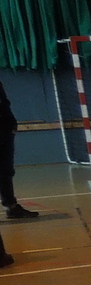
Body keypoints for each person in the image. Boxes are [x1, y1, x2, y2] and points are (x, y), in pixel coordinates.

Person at [0, 80, 38, 219]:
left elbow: (4, 103)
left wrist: (11, 123)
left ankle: (11, 206)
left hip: (4, 128)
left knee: (5, 170)